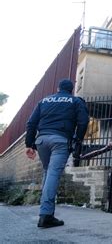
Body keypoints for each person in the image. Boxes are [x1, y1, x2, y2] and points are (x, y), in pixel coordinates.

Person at [25, 79, 89, 228]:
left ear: (58, 88)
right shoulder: (75, 101)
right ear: (72, 90)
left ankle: (47, 213)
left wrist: (29, 145)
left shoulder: (44, 100)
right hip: (60, 141)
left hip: (41, 141)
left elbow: (31, 123)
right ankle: (46, 215)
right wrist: (77, 140)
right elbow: (83, 121)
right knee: (53, 174)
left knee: (48, 173)